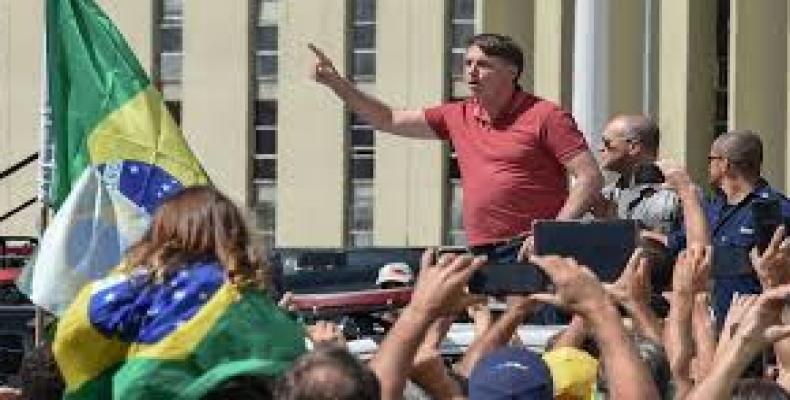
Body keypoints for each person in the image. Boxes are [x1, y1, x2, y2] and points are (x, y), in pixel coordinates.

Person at [309, 33, 602, 263]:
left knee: (539, 337)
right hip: (481, 249)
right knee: (494, 335)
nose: (472, 72)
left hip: (534, 248)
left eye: (483, 64)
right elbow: (389, 119)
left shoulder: (546, 115)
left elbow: (589, 177)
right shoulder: (456, 114)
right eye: (468, 63)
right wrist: (337, 84)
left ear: (512, 72)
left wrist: (551, 233)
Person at [53, 186, 306, 399]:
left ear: (162, 231)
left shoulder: (142, 286)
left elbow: (76, 327)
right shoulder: (251, 297)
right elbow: (290, 358)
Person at [663, 130, 790, 319]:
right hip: (711, 321)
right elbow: (680, 246)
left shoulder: (774, 209)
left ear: (724, 164)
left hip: (755, 325)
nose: (708, 166)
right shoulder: (709, 209)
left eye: (710, 159)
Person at [596, 115, 680, 235]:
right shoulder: (605, 197)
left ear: (633, 147)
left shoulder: (676, 197)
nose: (600, 148)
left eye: (607, 143)